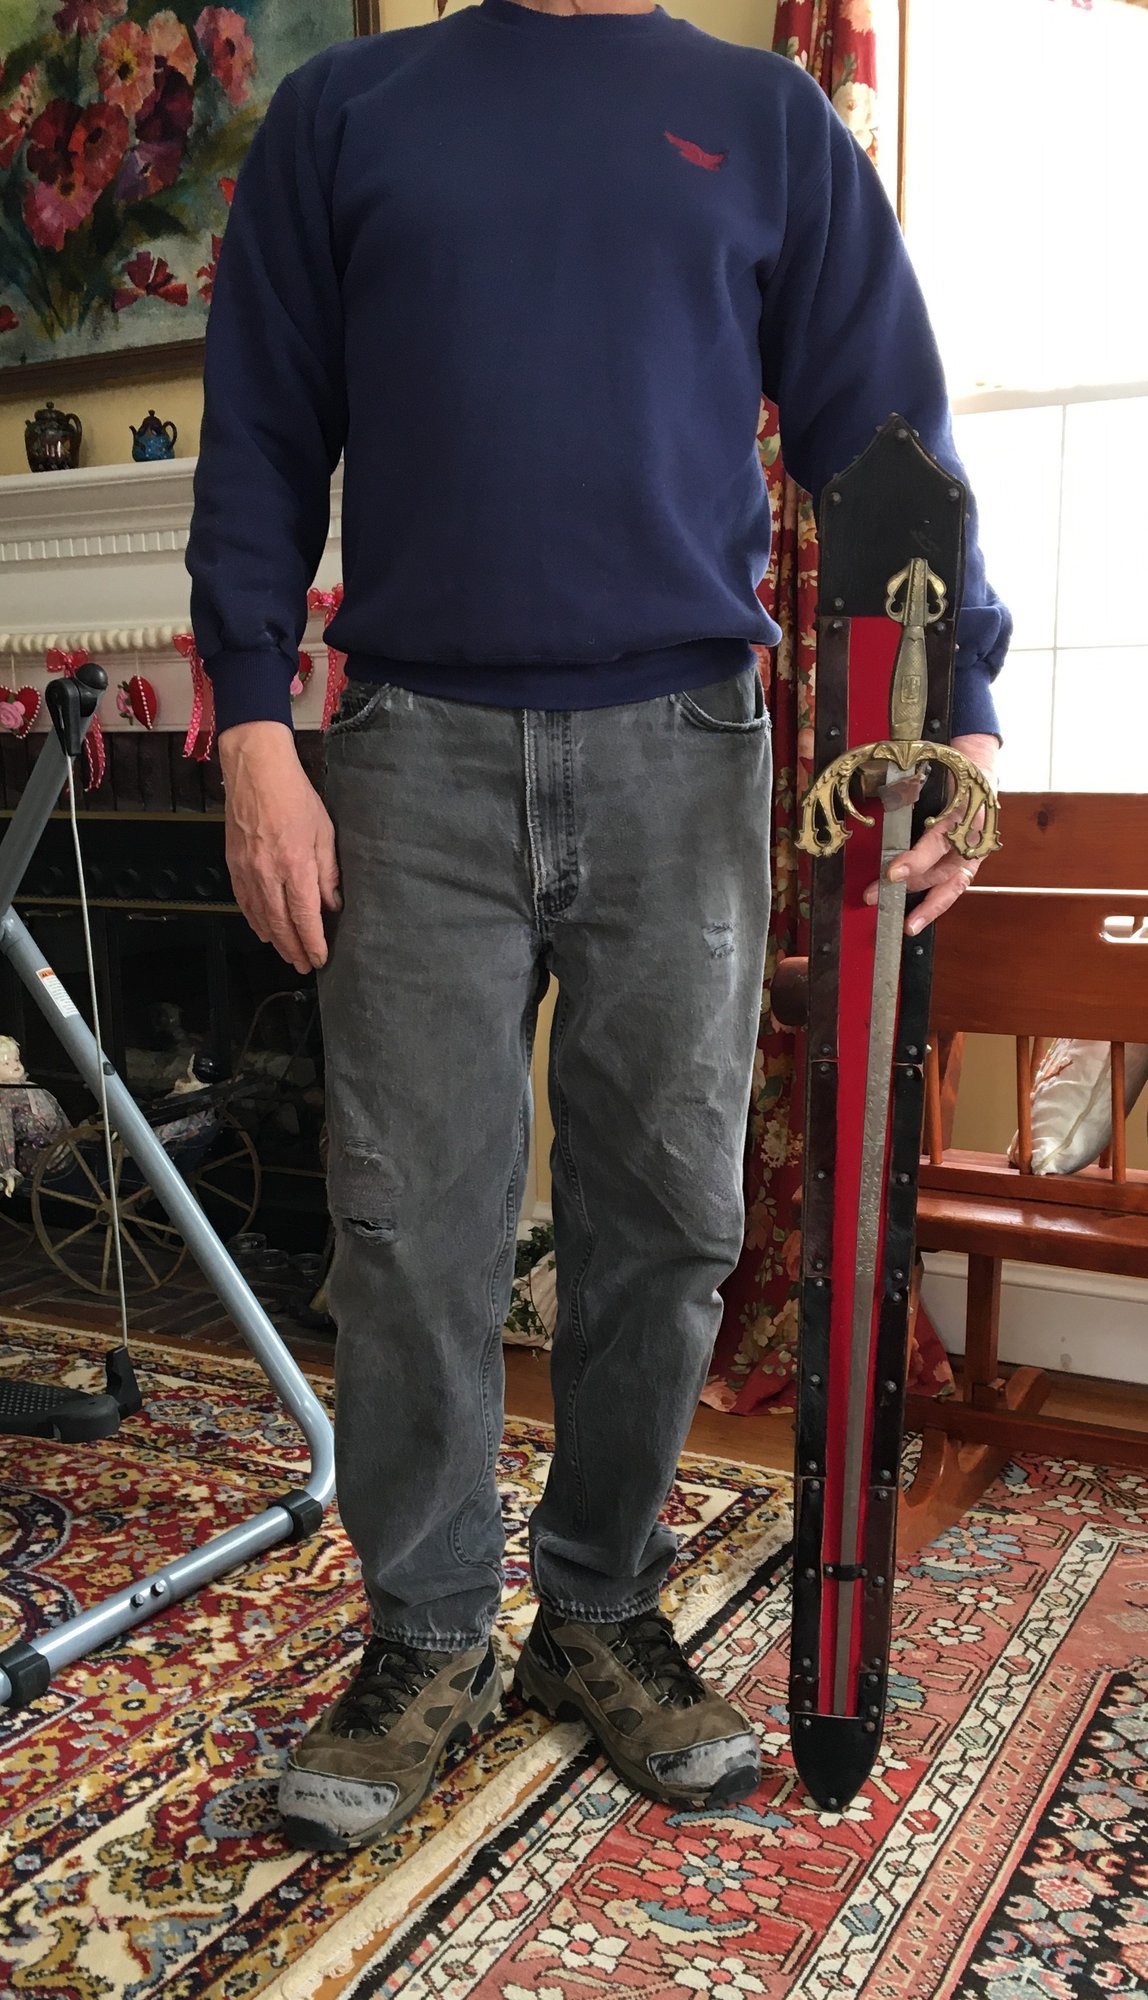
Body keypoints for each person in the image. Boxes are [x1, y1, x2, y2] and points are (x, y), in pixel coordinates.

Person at [186, 0, 1008, 1853]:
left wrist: (952, 710)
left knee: (672, 1215)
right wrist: (251, 725)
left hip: (687, 750)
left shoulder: (766, 119)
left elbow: (888, 432)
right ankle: (427, 1629)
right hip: (409, 749)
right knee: (409, 1222)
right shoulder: (343, 114)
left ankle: (600, 1606)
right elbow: (261, 434)